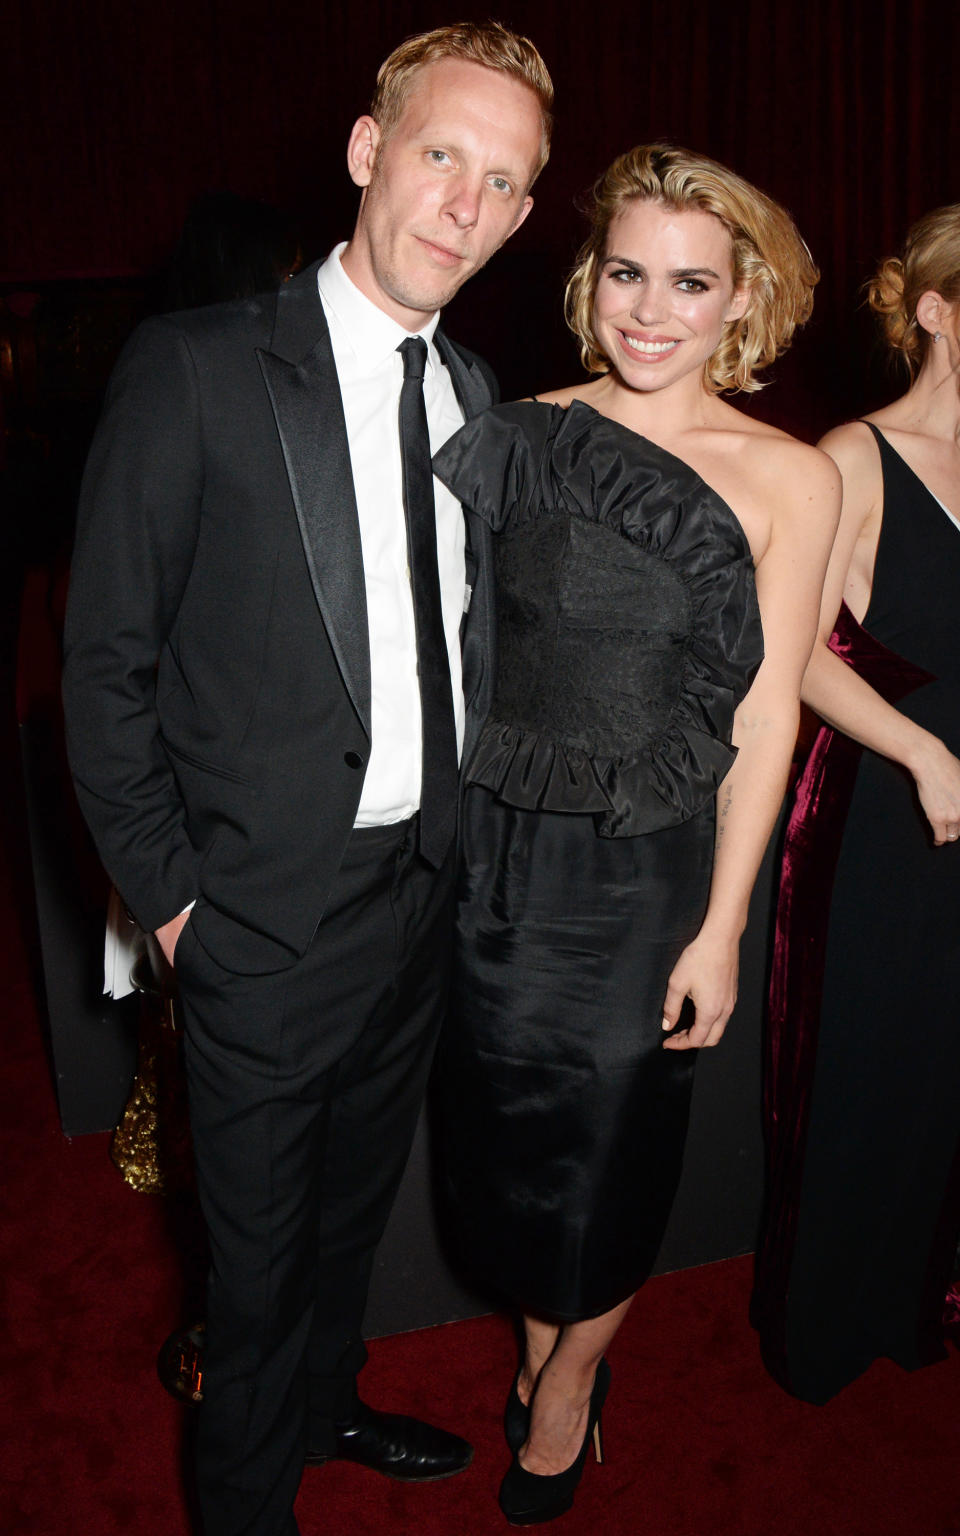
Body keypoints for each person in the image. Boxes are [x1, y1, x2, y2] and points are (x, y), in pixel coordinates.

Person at [61, 22, 552, 1536]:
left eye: (505, 182)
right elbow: (100, 670)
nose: (465, 204)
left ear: (528, 216)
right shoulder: (199, 367)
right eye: (440, 155)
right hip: (257, 920)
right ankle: (248, 1497)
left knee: (348, 1221)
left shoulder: (478, 392)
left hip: (414, 906)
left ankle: (331, 1402)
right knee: (257, 1277)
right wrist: (181, 906)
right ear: (367, 149)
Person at [431, 142, 839, 1526]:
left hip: (645, 879)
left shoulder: (786, 476)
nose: (651, 310)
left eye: (690, 283)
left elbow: (769, 720)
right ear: (589, 281)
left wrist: (725, 927)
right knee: (500, 1154)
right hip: (497, 864)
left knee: (602, 1165)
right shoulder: (522, 428)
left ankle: (562, 1395)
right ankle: (545, 1349)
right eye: (626, 275)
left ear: (745, 299)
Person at [753, 206, 960, 1404]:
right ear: (934, 311)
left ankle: (920, 1300)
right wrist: (923, 753)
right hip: (886, 803)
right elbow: (800, 652)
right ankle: (826, 1325)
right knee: (866, 1069)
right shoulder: (851, 457)